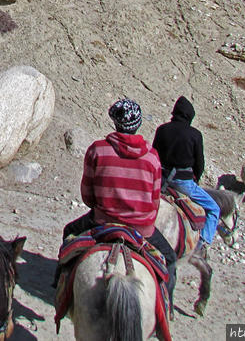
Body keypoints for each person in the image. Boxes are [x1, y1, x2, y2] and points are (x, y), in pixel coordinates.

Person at [62, 98, 176, 298]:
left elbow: (88, 196)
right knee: (170, 259)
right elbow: (154, 201)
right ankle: (167, 309)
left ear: (115, 122)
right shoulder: (152, 157)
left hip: (103, 222)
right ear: (138, 124)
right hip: (140, 228)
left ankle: (63, 292)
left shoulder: (98, 150)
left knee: (69, 234)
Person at [151, 95, 220, 255]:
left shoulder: (162, 129)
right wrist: (195, 178)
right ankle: (202, 244)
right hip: (183, 183)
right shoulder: (195, 135)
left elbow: (154, 154)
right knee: (214, 209)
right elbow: (199, 164)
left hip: (160, 181)